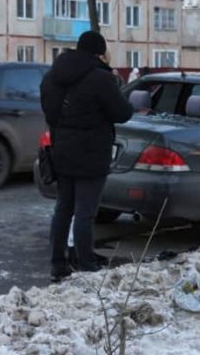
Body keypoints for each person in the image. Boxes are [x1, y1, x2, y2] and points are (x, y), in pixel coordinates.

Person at [40, 31, 133, 282]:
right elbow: (123, 112)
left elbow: (49, 112)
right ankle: (86, 266)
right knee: (85, 212)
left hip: (61, 151)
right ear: (99, 53)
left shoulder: (53, 76)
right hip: (91, 154)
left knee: (63, 209)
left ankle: (58, 265)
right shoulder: (100, 79)